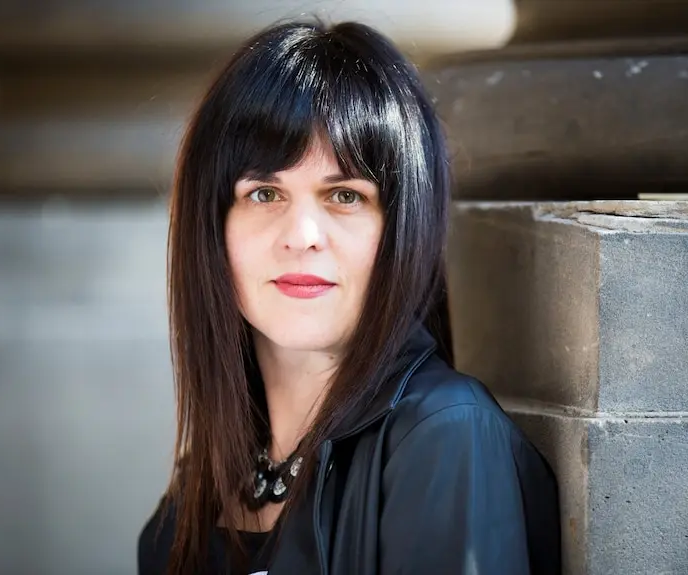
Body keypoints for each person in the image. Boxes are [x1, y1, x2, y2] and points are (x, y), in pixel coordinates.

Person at [138, 18, 560, 575]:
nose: (303, 235)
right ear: (211, 227)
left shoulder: (444, 436)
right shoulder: (197, 491)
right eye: (264, 193)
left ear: (402, 228)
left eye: (344, 195)